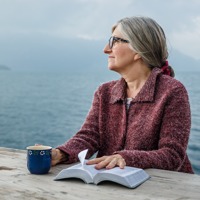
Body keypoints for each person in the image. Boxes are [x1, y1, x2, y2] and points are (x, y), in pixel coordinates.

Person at [51, 16, 193, 173]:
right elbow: (89, 137)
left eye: (114, 41)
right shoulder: (104, 92)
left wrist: (125, 158)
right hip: (112, 186)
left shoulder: (172, 91)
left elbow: (172, 155)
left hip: (164, 190)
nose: (106, 49)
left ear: (138, 49)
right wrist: (60, 154)